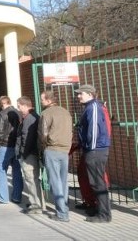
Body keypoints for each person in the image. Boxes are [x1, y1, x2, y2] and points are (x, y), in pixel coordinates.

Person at [75, 84, 112, 223]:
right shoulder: (89, 107)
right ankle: (100, 210)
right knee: (95, 182)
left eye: (81, 93)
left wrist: (91, 147)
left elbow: (94, 129)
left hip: (96, 150)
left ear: (90, 94)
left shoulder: (94, 107)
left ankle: (104, 215)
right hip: (93, 149)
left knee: (98, 182)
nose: (78, 96)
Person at [39, 90, 73, 223]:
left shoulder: (46, 113)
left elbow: (43, 134)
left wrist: (43, 147)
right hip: (65, 149)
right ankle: (64, 206)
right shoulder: (65, 111)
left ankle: (62, 213)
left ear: (48, 100)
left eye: (42, 99)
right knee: (63, 181)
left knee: (55, 181)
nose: (41, 102)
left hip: (52, 148)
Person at [0, 96, 23, 205]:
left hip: (5, 145)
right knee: (17, 170)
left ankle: (3, 197)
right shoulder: (19, 113)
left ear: (1, 104)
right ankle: (17, 196)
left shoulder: (2, 114)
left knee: (1, 169)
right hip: (16, 145)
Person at [16, 96, 43, 214]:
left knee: (31, 179)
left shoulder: (30, 118)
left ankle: (36, 205)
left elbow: (27, 137)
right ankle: (34, 201)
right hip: (30, 152)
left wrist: (23, 153)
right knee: (32, 179)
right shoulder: (30, 117)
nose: (18, 108)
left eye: (19, 106)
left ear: (25, 105)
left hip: (29, 154)